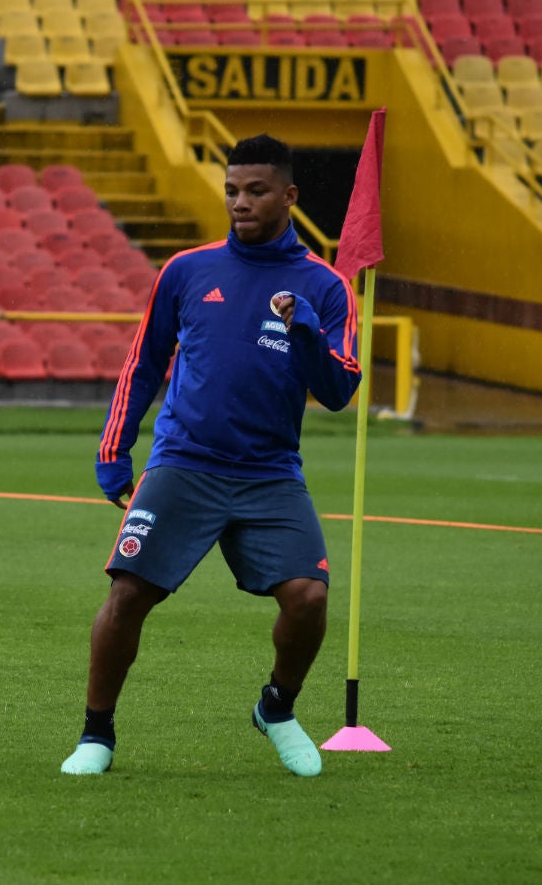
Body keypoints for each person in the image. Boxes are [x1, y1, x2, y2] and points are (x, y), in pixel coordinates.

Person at [61, 134, 363, 778]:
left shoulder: (326, 286)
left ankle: (276, 708)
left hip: (270, 473)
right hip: (184, 462)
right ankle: (96, 733)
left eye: (256, 191)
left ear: (289, 196)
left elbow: (340, 392)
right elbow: (143, 362)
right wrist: (115, 448)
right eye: (231, 191)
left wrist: (307, 332)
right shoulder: (187, 270)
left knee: (309, 598)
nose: (240, 202)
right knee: (128, 593)